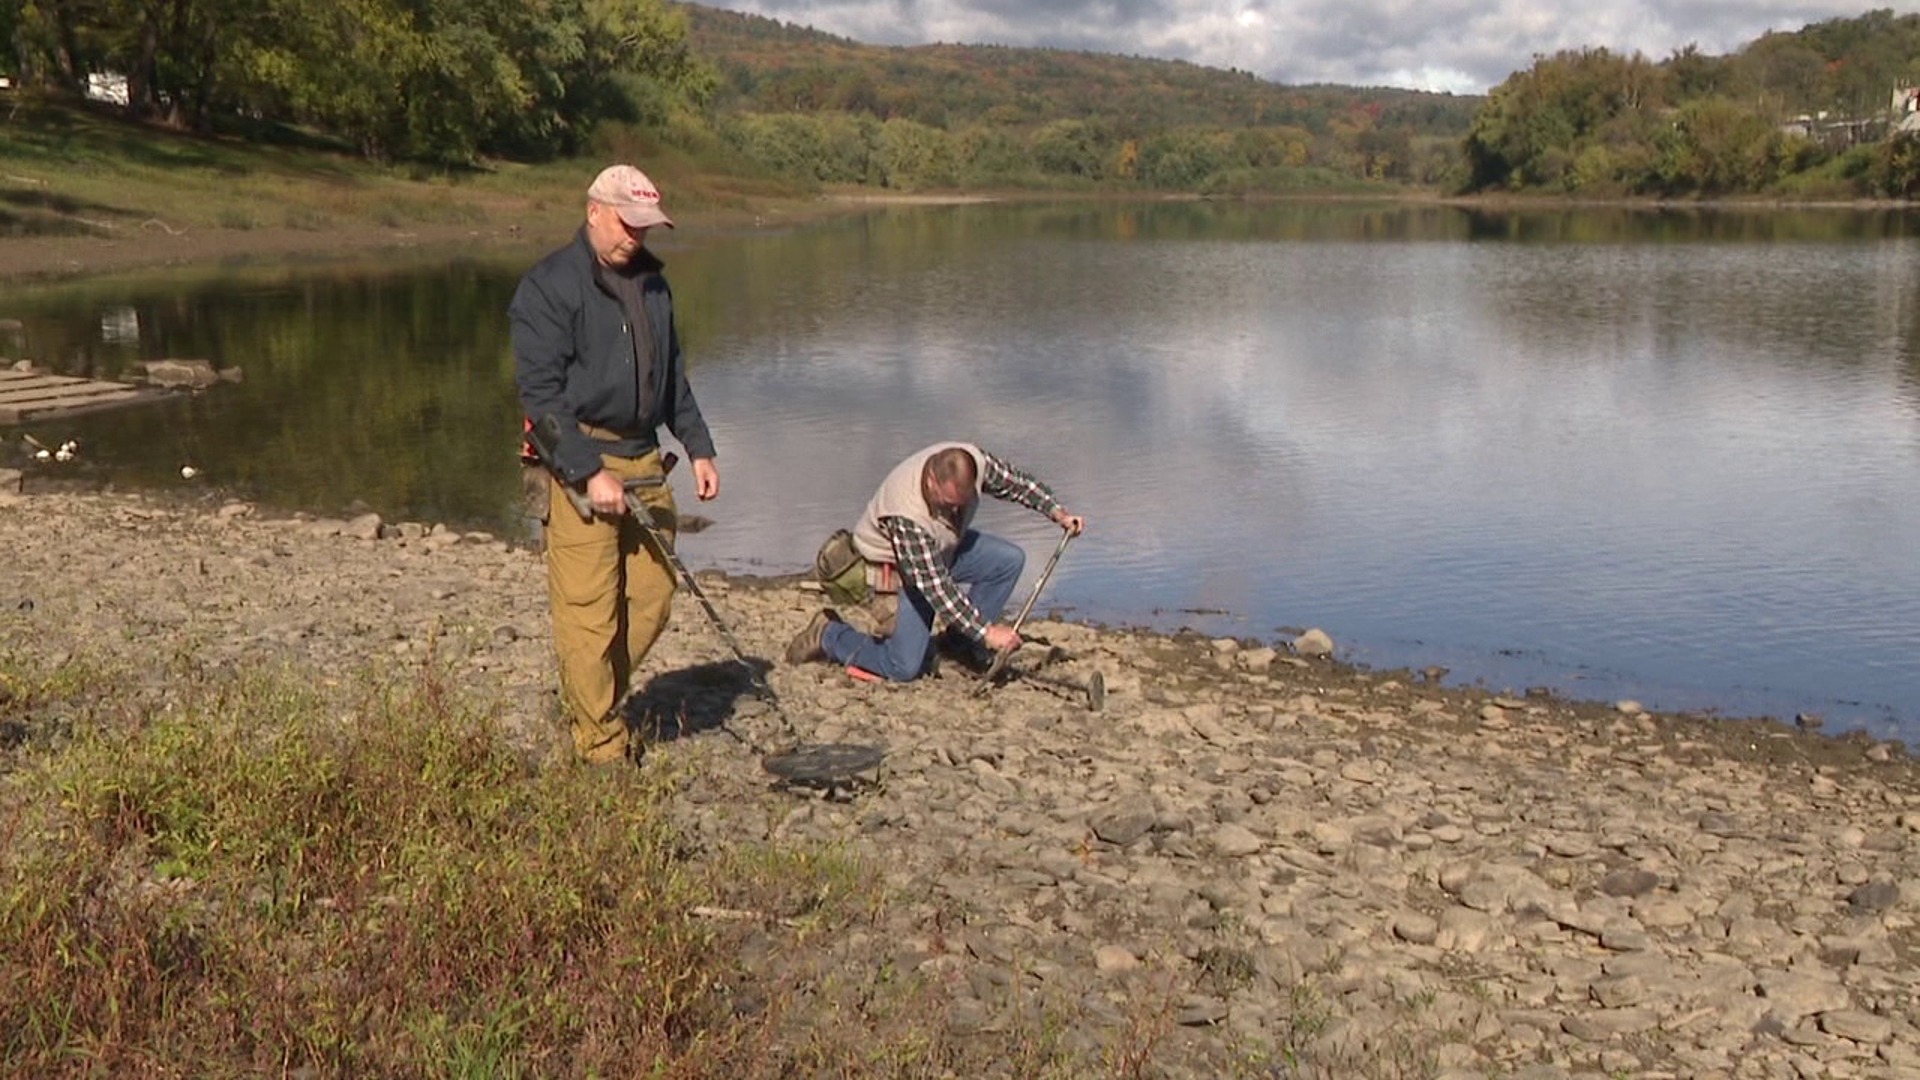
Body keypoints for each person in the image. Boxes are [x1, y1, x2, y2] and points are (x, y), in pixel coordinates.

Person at [510, 164, 719, 765]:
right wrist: (584, 471)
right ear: (594, 211)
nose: (637, 236)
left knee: (653, 595)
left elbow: (672, 375)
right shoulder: (549, 287)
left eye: (647, 227)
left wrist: (699, 445)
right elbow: (541, 399)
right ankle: (599, 742)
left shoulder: (654, 285)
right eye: (628, 224)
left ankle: (590, 698)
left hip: (646, 458)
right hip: (581, 460)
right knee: (588, 610)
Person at [786, 442, 1084, 682]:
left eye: (962, 503)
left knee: (1008, 560)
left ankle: (959, 645)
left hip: (942, 549)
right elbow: (935, 587)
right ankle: (829, 634)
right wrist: (987, 632)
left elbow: (1018, 484)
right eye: (949, 503)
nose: (956, 509)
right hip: (900, 571)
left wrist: (1057, 512)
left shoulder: (972, 462)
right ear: (931, 481)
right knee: (902, 667)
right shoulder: (906, 515)